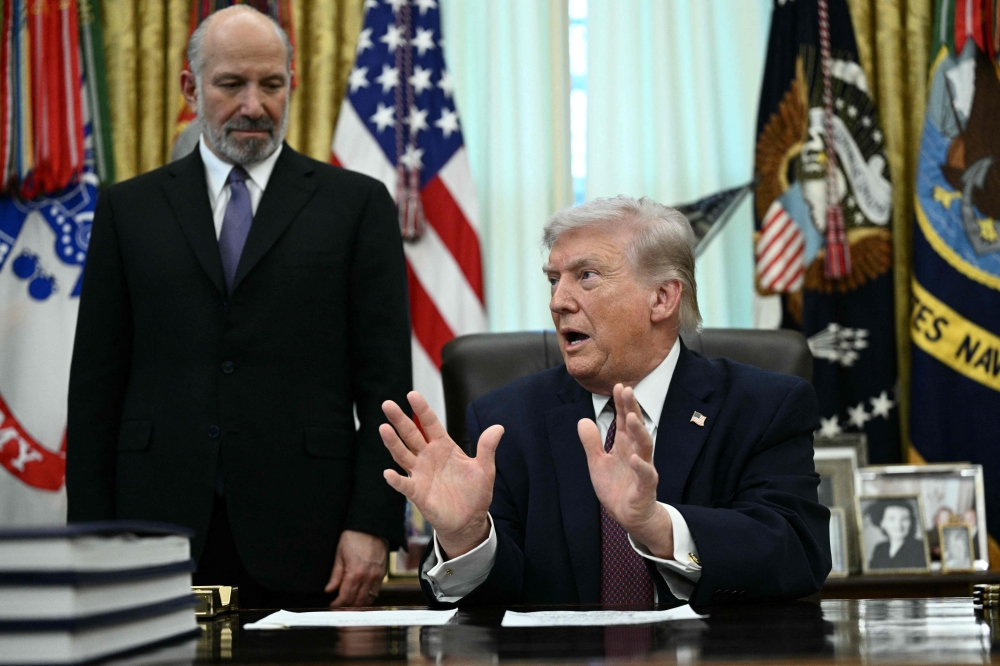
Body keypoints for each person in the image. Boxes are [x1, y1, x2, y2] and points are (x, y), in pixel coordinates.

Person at [66, 6, 411, 608]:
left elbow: (385, 385)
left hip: (311, 536)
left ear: (291, 84)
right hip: (153, 531)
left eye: (271, 84)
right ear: (190, 87)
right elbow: (96, 388)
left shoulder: (356, 206)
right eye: (231, 84)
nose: (254, 105)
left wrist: (373, 523)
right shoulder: (129, 211)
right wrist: (91, 538)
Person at [378, 196, 832, 607]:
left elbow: (796, 553)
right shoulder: (505, 421)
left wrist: (656, 527)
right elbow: (499, 597)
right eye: (554, 279)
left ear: (662, 297)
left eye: (586, 276)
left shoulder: (763, 406)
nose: (558, 301)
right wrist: (466, 538)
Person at [866, 500, 927, 570]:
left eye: (905, 519)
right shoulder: (880, 549)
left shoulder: (921, 547)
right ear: (882, 523)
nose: (898, 525)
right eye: (892, 519)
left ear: (911, 523)